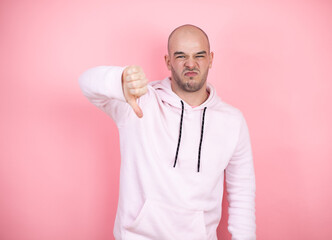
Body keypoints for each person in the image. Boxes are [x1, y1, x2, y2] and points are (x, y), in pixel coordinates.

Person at [78, 24, 256, 240]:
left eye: (199, 56)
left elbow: (242, 196)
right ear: (168, 61)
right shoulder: (138, 102)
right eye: (181, 56)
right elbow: (86, 82)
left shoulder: (232, 121)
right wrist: (119, 81)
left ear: (210, 59)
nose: (191, 64)